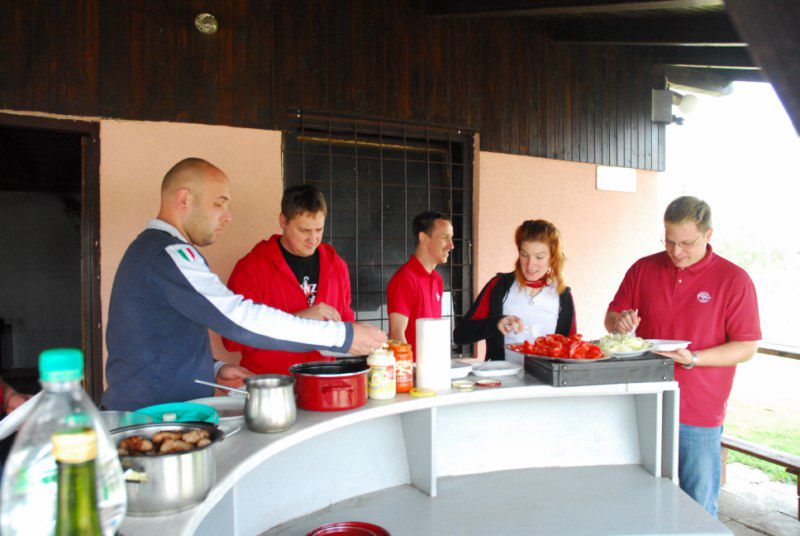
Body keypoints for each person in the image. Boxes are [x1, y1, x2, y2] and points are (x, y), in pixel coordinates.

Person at [101, 158, 386, 411]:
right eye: (219, 203)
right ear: (184, 199)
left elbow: (161, 338)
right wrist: (341, 336)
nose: (228, 216)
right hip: (149, 420)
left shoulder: (156, 252)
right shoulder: (169, 254)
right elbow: (238, 319)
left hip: (159, 413)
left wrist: (214, 367)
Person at [605, 196, 760, 518]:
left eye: (687, 243)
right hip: (644, 402)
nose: (676, 252)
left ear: (709, 234)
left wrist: (693, 359)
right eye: (670, 241)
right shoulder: (644, 267)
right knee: (640, 499)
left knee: (697, 507)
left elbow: (746, 347)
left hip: (699, 412)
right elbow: (612, 316)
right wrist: (619, 322)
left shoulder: (734, 280)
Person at [222, 185, 355, 374]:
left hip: (322, 385)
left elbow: (346, 318)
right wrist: (298, 319)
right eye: (304, 230)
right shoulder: (251, 268)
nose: (314, 239)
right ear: (283, 221)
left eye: (319, 229)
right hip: (272, 387)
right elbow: (231, 339)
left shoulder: (337, 265)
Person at [453, 219, 576, 363]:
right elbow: (461, 335)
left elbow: (571, 349)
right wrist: (496, 323)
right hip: (502, 380)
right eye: (524, 255)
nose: (530, 264)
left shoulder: (562, 295)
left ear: (553, 257)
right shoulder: (499, 286)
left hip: (545, 382)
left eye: (539, 257)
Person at [386, 212, 454, 354]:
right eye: (445, 238)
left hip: (432, 368)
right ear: (424, 238)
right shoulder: (405, 278)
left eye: (451, 238)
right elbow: (397, 335)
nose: (451, 245)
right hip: (414, 372)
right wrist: (410, 371)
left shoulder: (437, 279)